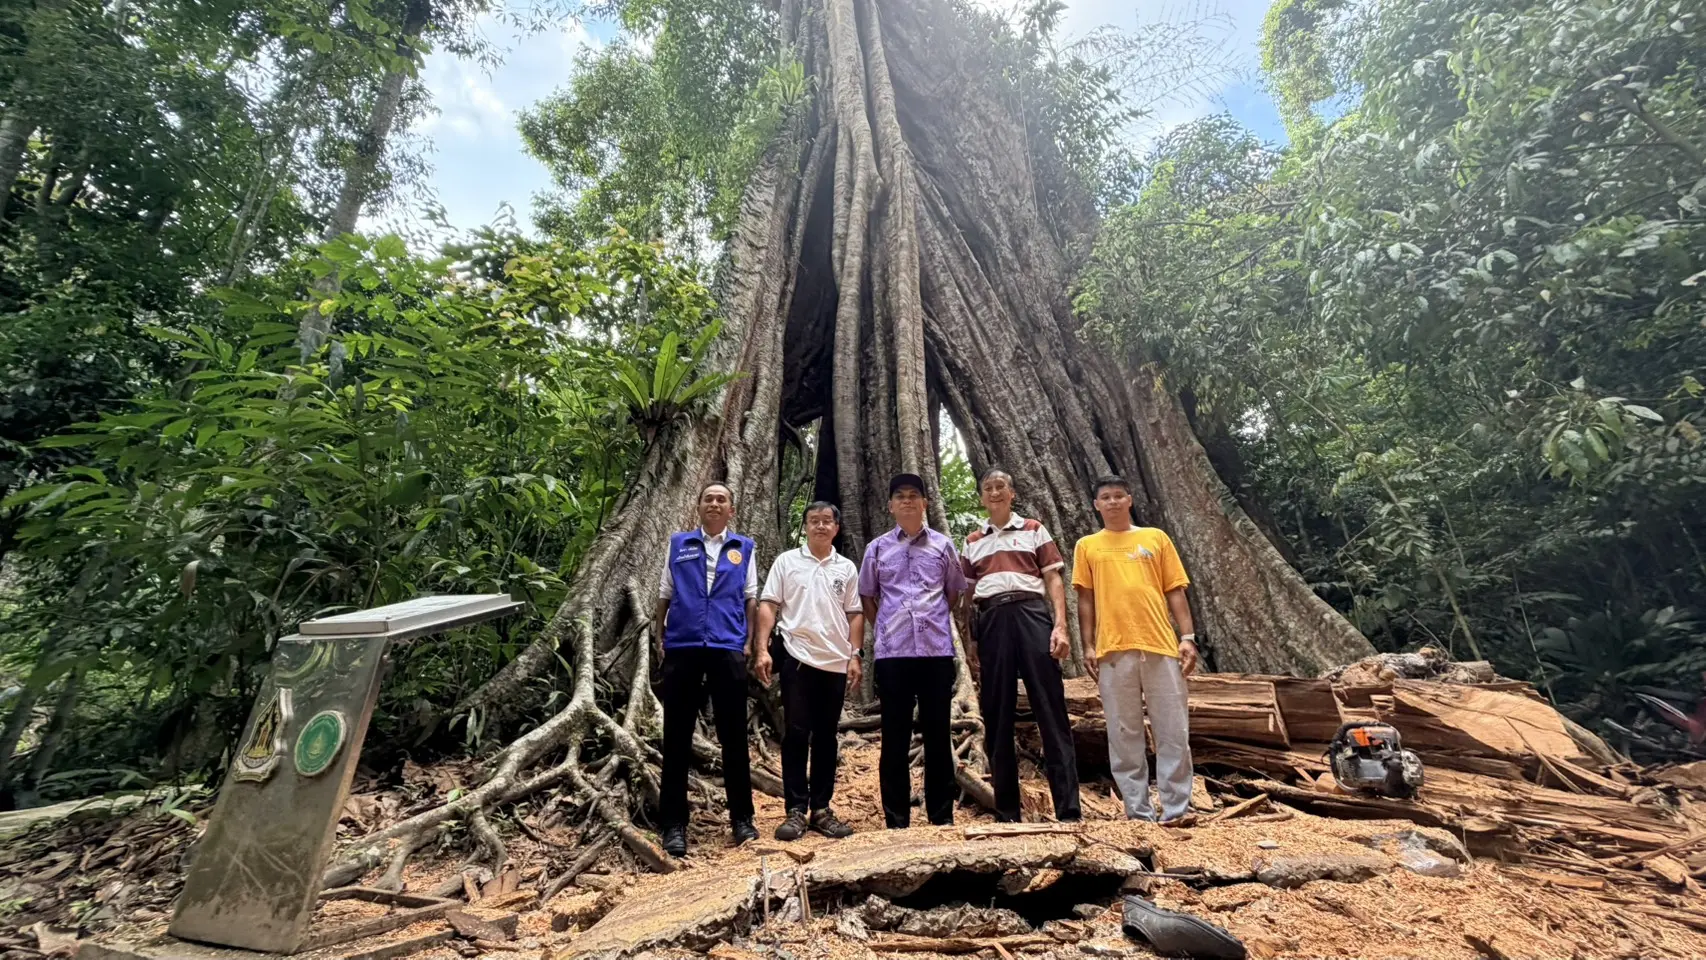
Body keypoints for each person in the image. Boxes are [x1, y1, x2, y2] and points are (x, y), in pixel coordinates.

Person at [1070, 475, 1200, 823]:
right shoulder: (1087, 546)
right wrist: (1087, 645)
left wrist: (1187, 637)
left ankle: (1177, 809)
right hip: (1112, 649)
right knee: (1123, 732)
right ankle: (1137, 812)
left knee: (1173, 730)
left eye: (1118, 496)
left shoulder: (1155, 538)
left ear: (1129, 500)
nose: (1112, 502)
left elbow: (1175, 590)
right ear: (1096, 506)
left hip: (1159, 645)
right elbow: (1086, 599)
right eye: (1105, 498)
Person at [961, 469, 1082, 823]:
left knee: (1051, 708)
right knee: (998, 712)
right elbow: (967, 597)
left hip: (1031, 614)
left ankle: (1069, 810)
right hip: (992, 620)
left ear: (1011, 493)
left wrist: (1060, 626)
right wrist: (971, 641)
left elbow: (1053, 577)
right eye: (988, 488)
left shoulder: (1033, 529)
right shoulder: (972, 540)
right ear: (982, 498)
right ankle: (1007, 811)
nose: (995, 492)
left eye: (1001, 487)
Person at [652, 481, 760, 857]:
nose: (714, 504)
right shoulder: (679, 544)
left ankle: (742, 818)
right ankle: (673, 824)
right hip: (682, 645)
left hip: (727, 646)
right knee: (677, 735)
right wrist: (659, 635)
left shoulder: (744, 547)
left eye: (722, 499)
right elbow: (665, 592)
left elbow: (750, 596)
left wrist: (748, 641)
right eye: (708, 498)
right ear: (698, 506)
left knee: (733, 736)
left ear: (731, 510)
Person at [859, 472, 968, 828]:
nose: (907, 500)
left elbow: (953, 592)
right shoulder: (876, 548)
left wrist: (930, 618)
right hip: (893, 655)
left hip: (935, 652)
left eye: (914, 495)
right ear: (891, 505)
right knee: (895, 735)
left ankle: (941, 815)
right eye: (900, 496)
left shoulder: (943, 546)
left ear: (925, 503)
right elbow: (868, 595)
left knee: (937, 733)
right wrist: (888, 628)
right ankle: (896, 819)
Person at [753, 502, 864, 840]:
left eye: (826, 521)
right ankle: (796, 810)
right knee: (796, 734)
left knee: (827, 736)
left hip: (834, 662)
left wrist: (855, 655)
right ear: (805, 526)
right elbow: (769, 605)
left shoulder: (845, 568)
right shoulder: (787, 562)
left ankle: (822, 808)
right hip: (797, 660)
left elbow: (855, 613)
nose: (820, 526)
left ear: (836, 528)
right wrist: (761, 648)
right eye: (813, 521)